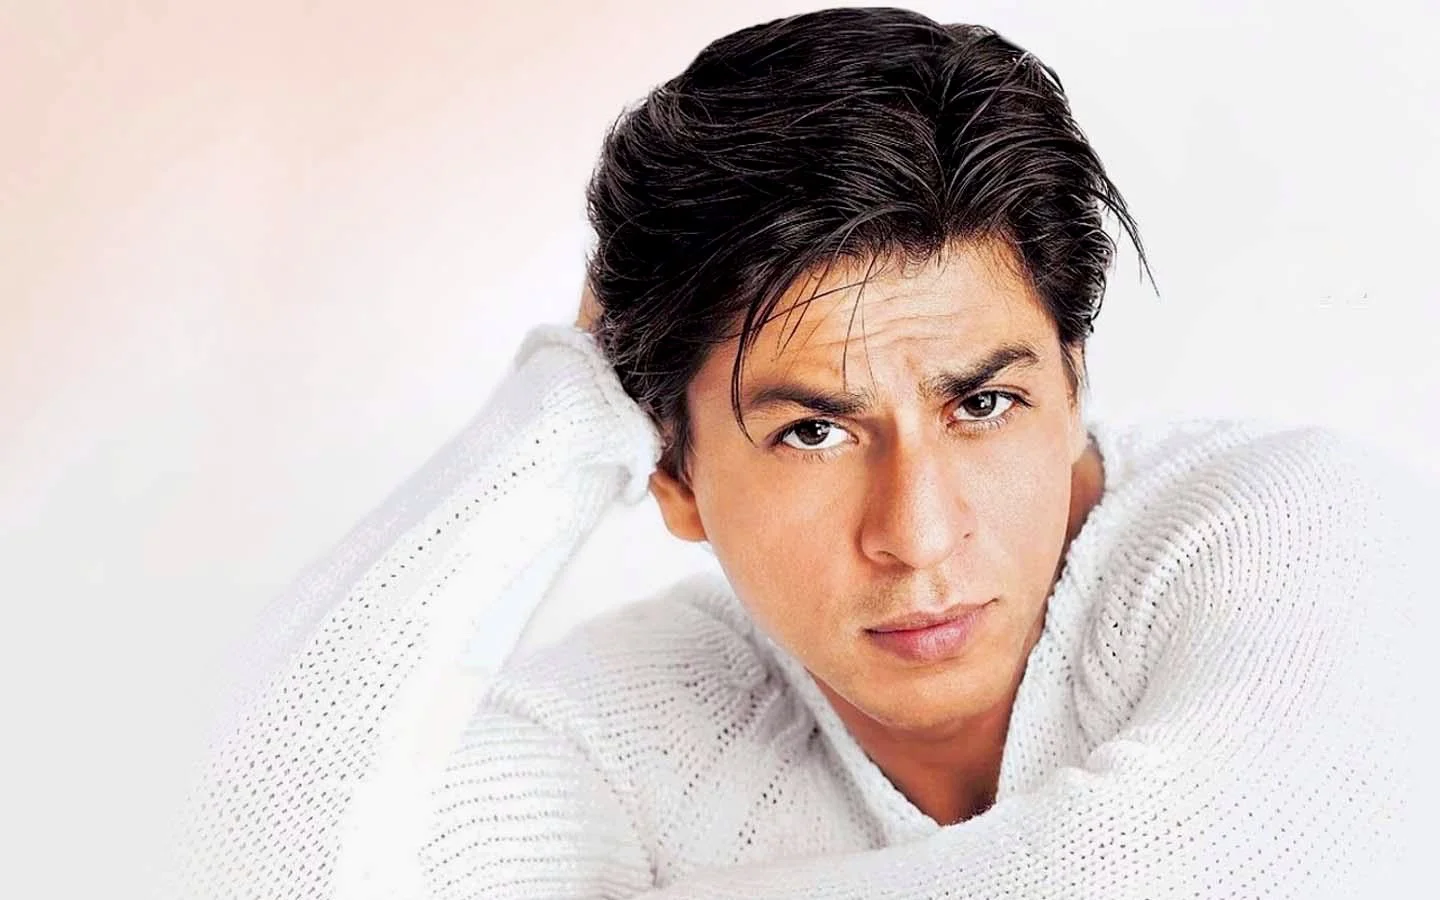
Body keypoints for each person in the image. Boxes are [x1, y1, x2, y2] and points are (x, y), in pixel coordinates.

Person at [168, 7, 1438, 899]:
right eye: (814, 431)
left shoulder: (1302, 530)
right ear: (674, 474)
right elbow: (274, 867)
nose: (918, 533)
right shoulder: (644, 725)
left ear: (1072, 388)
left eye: (984, 405)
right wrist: (566, 407)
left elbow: (1210, 874)